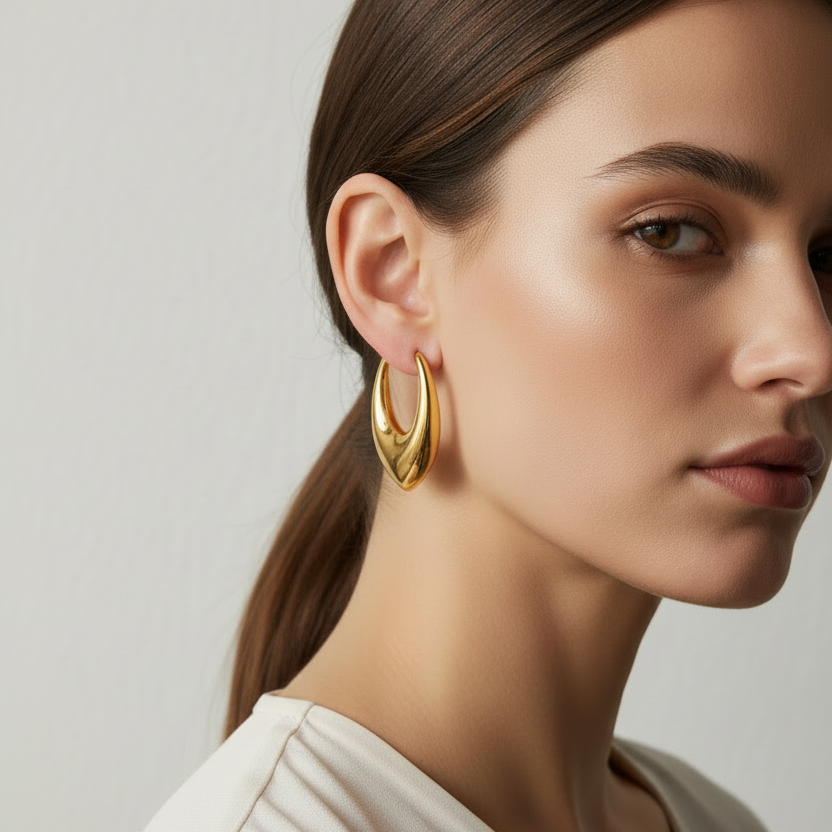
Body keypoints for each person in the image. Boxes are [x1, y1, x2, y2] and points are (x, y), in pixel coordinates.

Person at [142, 0, 832, 829]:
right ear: (394, 273)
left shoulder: (713, 818)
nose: (810, 349)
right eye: (673, 231)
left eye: (828, 257)